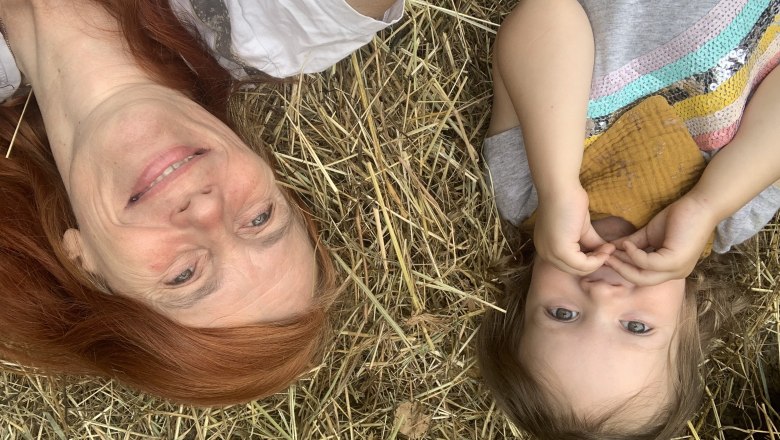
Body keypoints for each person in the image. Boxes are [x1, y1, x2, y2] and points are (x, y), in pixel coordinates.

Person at [0, 0, 402, 405]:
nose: (208, 212)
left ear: (83, 264)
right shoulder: (265, 27)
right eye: (260, 218)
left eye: (183, 275)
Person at [477, 0, 780, 438]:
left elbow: (547, 15)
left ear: (523, 296)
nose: (602, 294)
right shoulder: (730, 215)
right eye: (636, 327)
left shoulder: (527, 191)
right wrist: (708, 202)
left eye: (562, 313)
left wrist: (559, 183)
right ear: (690, 321)